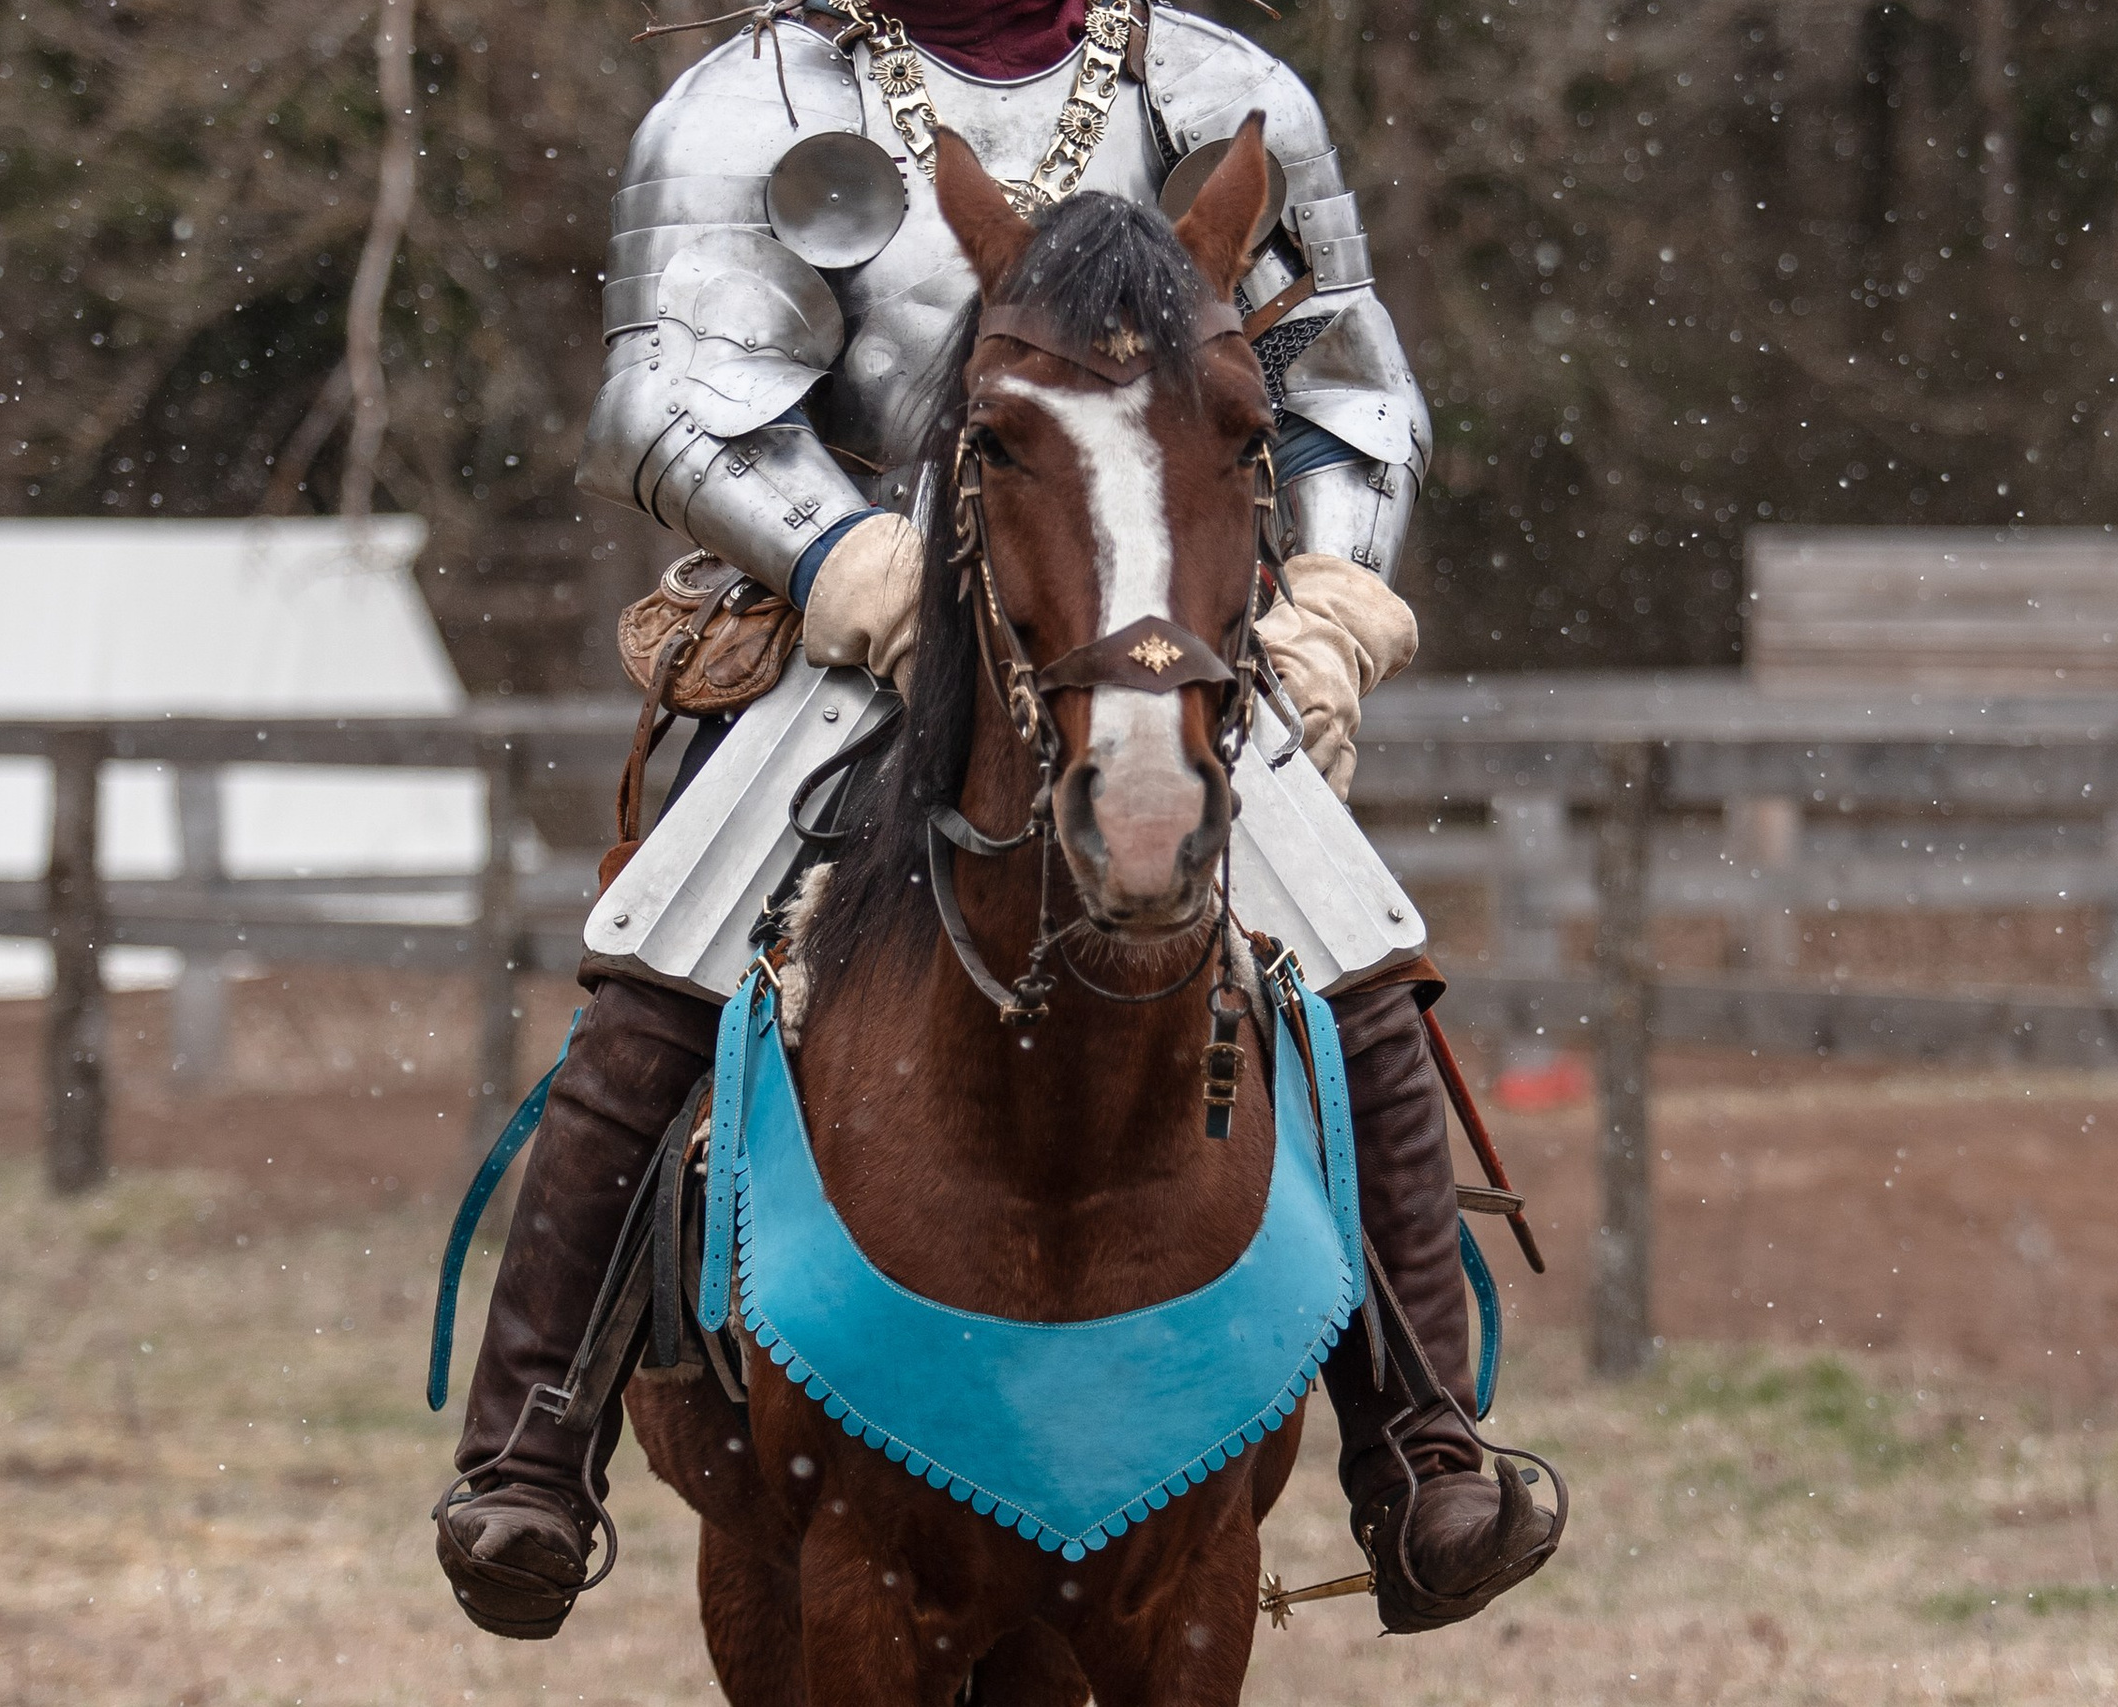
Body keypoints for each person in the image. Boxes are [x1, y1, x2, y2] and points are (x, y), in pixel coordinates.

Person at [436, 0, 1558, 1644]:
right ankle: (533, 1446)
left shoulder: (1226, 91)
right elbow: (669, 405)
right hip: (857, 644)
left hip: (1151, 642)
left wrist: (1323, 595)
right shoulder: (750, 100)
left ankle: (1419, 1453)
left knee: (1366, 964)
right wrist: (842, 558)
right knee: (655, 967)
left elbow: (1347, 396)